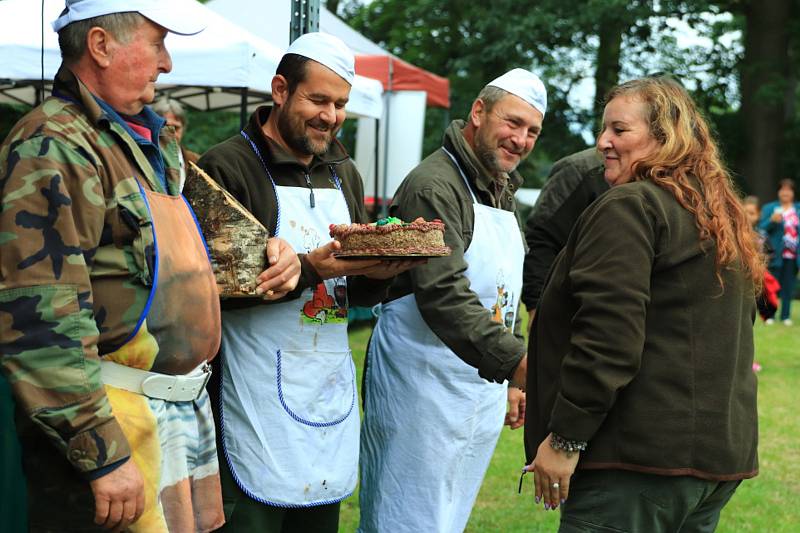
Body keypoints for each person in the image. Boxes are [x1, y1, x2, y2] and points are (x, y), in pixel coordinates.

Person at [0, 1, 299, 531]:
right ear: (100, 45)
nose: (168, 63)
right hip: (110, 424)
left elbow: (201, 253)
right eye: (157, 42)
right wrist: (101, 452)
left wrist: (273, 256)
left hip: (172, 417)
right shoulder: (54, 145)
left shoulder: (150, 140)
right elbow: (40, 318)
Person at [198, 32, 418, 533]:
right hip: (250, 398)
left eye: (340, 104)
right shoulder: (228, 166)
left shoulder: (344, 172)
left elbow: (352, 293)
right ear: (280, 90)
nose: (331, 116)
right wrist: (311, 268)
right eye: (318, 100)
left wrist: (380, 273)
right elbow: (211, 290)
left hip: (325, 391)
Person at [523, 76, 761, 532]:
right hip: (712, 460)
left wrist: (566, 439)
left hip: (637, 463)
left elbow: (609, 336)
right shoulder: (717, 213)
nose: (603, 143)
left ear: (664, 137)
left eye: (619, 130)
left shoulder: (631, 206)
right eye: (604, 130)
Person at [358, 68, 544, 533]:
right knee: (403, 519)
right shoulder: (434, 185)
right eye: (513, 122)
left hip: (475, 386)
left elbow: (507, 286)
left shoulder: (501, 188)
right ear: (479, 112)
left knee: (447, 518)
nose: (521, 139)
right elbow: (443, 293)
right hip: (420, 387)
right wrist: (519, 363)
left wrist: (515, 379)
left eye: (532, 131)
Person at [521, 148, 607, 327]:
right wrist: (538, 306)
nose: (605, 140)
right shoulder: (581, 169)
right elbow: (542, 238)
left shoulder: (672, 175)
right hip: (579, 318)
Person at [758, 179, 800, 325]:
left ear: (793, 193)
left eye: (789, 190)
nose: (785, 192)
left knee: (788, 287)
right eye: (783, 189)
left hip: (793, 256)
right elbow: (760, 229)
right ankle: (769, 316)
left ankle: (785, 316)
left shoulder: (798, 209)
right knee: (771, 286)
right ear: (778, 192)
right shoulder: (770, 208)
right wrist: (771, 221)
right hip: (775, 254)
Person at [152, 97, 198, 190]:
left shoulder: (195, 161)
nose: (172, 133)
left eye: (176, 128)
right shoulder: (145, 159)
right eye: (166, 127)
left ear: (183, 129)